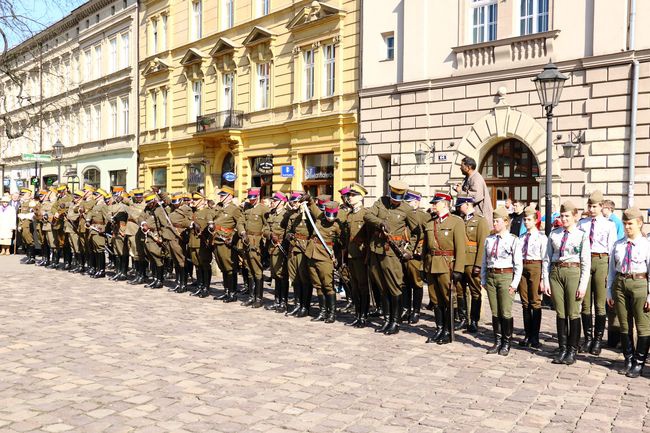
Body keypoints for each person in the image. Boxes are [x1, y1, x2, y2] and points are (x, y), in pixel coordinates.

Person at [364, 179, 420, 336]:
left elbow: (416, 232)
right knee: (382, 287)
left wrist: (409, 250)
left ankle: (395, 322)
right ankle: (387, 320)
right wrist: (380, 222)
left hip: (393, 253)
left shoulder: (407, 209)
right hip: (376, 249)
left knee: (394, 287)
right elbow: (368, 216)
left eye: (398, 199)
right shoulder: (381, 202)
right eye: (393, 198)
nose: (395, 202)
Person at [542, 201, 591, 366]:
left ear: (575, 216)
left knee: (573, 312)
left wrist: (583, 285)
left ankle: (572, 349)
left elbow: (586, 262)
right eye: (562, 216)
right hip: (556, 272)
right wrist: (545, 280)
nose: (564, 219)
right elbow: (547, 259)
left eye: (567, 216)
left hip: (573, 272)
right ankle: (562, 348)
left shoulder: (581, 235)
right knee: (560, 313)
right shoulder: (554, 234)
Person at [606, 207, 650, 378]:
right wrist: (609, 291)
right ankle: (628, 359)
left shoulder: (646, 245)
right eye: (624, 224)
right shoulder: (618, 244)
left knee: (642, 325)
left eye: (630, 223)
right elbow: (611, 271)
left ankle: (639, 362)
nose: (627, 227)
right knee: (624, 324)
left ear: (639, 223)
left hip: (640, 282)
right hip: (620, 283)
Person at [576, 191, 617, 357]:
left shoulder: (609, 225)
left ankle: (598, 340)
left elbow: (612, 250)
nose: (592, 209)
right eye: (590, 206)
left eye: (595, 206)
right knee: (585, 303)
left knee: (600, 303)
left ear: (602, 207)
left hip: (601, 261)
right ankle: (587, 338)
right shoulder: (582, 224)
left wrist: (609, 271)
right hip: (585, 261)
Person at [423, 192, 465, 344]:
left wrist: (459, 269)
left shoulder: (456, 222)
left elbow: (461, 247)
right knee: (435, 300)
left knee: (448, 299)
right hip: (431, 264)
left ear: (445, 204)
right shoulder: (430, 223)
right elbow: (425, 249)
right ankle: (439, 328)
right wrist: (423, 267)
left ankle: (448, 330)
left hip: (447, 266)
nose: (433, 205)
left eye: (436, 203)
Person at [480, 207, 523, 356]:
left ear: (505, 222)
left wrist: (514, 283)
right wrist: (483, 279)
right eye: (493, 221)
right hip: (492, 276)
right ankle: (497, 341)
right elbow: (485, 261)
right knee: (495, 311)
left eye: (497, 221)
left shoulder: (513, 240)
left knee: (505, 311)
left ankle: (506, 342)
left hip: (506, 276)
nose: (494, 224)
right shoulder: (489, 239)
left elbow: (518, 264)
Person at [456, 194, 489, 333]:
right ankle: (463, 319)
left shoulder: (480, 221)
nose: (458, 208)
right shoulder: (460, 221)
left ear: (467, 204)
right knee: (459, 290)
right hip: (460, 261)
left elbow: (482, 244)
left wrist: (478, 264)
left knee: (475, 291)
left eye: (460, 205)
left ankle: (474, 321)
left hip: (472, 261)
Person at [518, 206, 547, 348]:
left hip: (536, 266)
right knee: (525, 302)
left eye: (529, 219)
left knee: (535, 301)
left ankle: (535, 336)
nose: (526, 222)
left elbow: (545, 260)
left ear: (535, 220)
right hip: (522, 267)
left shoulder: (541, 237)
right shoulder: (521, 238)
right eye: (524, 219)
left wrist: (543, 279)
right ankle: (527, 334)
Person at [402, 190, 430, 325]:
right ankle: (406, 309)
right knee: (404, 283)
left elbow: (427, 235)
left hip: (414, 255)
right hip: (403, 252)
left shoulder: (423, 216)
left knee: (416, 283)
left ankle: (416, 311)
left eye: (409, 202)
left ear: (416, 202)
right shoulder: (403, 214)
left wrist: (418, 250)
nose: (406, 204)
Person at [240, 188, 270, 308]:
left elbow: (267, 225)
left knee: (257, 270)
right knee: (249, 269)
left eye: (253, 199)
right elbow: (240, 221)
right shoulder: (246, 207)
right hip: (246, 240)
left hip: (256, 242)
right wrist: (242, 232)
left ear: (257, 197)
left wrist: (263, 236)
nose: (251, 201)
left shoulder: (263, 209)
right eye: (250, 198)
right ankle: (251, 296)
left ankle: (259, 297)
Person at [263, 191, 290, 312]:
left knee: (282, 276)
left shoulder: (287, 215)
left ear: (282, 202)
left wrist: (281, 240)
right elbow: (265, 229)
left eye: (275, 200)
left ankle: (283, 302)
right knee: (275, 275)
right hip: (272, 248)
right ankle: (276, 300)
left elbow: (289, 231)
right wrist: (270, 234)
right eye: (272, 200)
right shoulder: (271, 215)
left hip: (281, 248)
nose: (272, 202)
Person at [454, 156, 493, 226]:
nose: (460, 168)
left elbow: (476, 196)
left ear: (469, 167)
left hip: (478, 217)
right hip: (471, 216)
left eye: (462, 165)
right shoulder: (468, 178)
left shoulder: (476, 178)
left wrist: (460, 191)